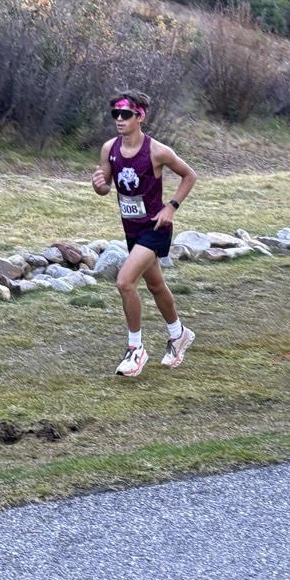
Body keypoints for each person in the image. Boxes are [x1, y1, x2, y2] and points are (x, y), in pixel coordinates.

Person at [91, 89, 198, 377]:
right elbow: (105, 188)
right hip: (132, 229)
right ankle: (179, 335)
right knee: (155, 286)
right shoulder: (108, 149)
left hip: (156, 227)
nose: (119, 119)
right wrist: (98, 184)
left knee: (125, 282)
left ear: (141, 116)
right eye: (116, 113)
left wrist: (171, 207)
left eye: (126, 114)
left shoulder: (157, 151)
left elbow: (190, 175)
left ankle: (135, 349)